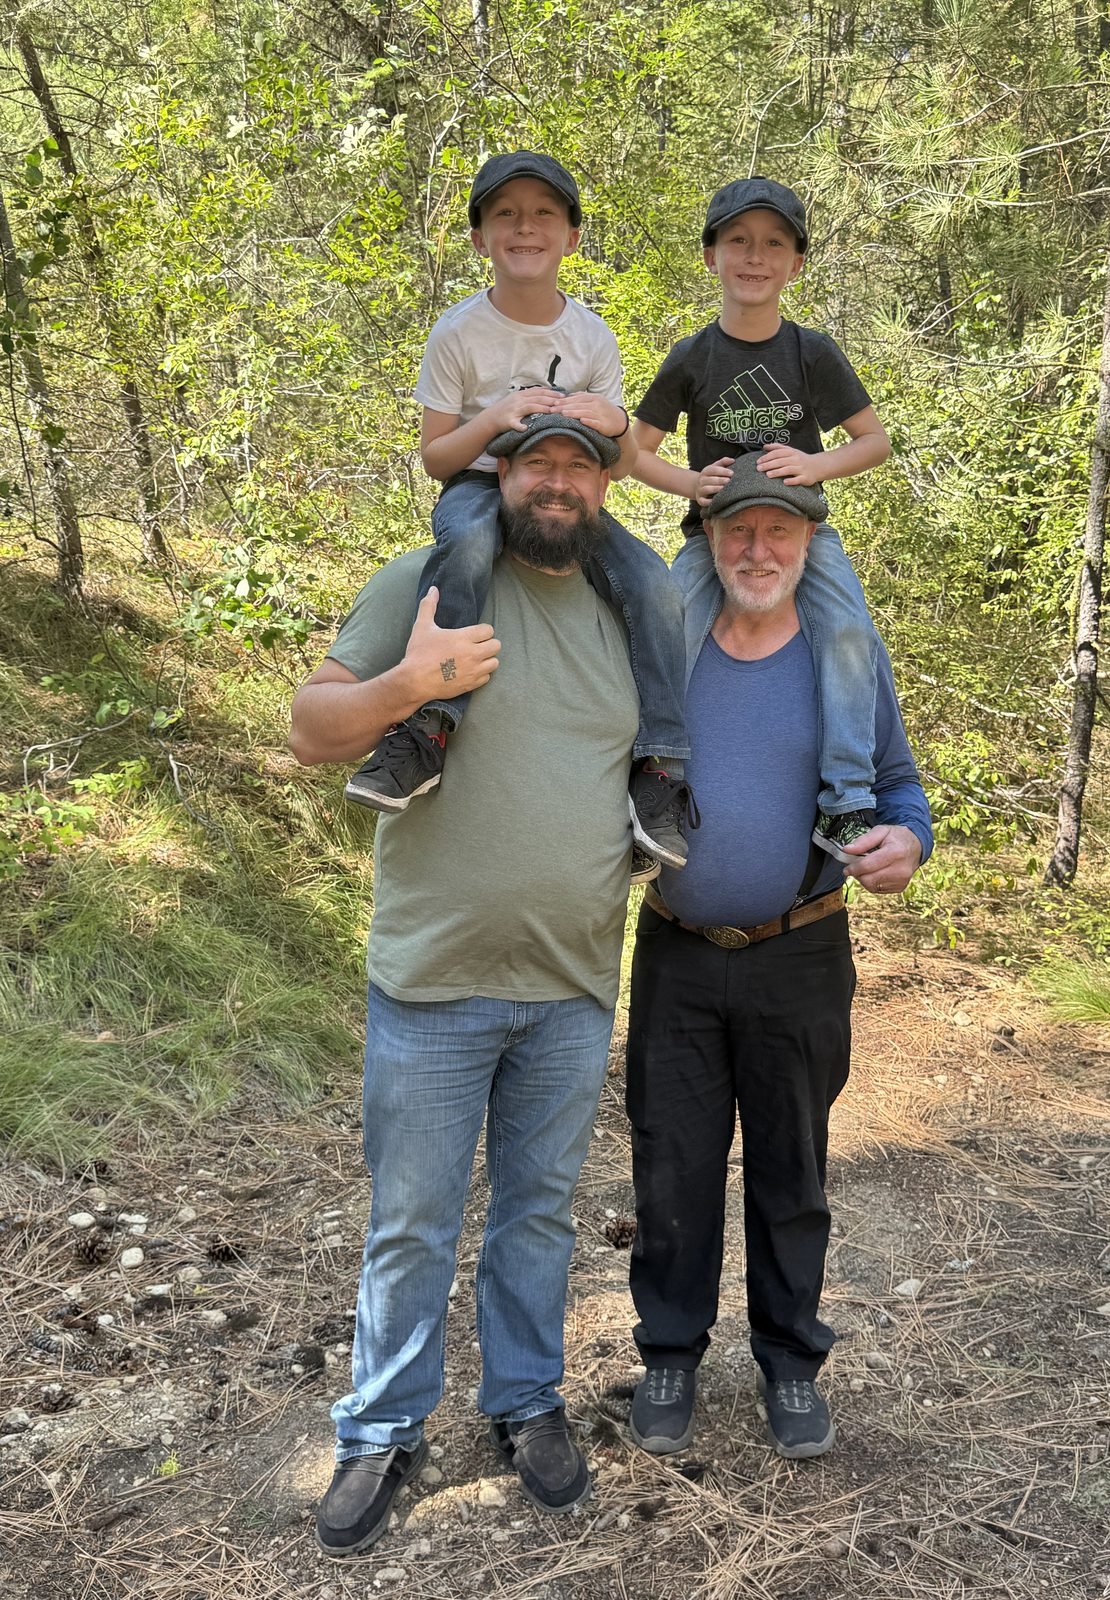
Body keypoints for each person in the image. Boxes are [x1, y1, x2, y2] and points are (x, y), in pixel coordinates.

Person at [290, 413, 651, 1557]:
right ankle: (382, 1429)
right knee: (412, 1223)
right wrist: (406, 683)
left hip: (573, 983)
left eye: (579, 465)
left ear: (604, 485)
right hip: (433, 983)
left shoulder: (629, 612)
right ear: (500, 472)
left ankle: (525, 1401)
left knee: (538, 1216)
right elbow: (311, 728)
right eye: (537, 461)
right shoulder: (426, 581)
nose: (558, 481)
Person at [624, 452, 933, 1460]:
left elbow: (899, 784)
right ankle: (670, 1352)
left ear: (808, 544)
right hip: (673, 949)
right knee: (670, 1164)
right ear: (710, 541)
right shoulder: (665, 650)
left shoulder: (844, 654)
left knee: (792, 1167)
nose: (757, 550)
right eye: (738, 530)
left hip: (801, 951)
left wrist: (910, 840)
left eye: (779, 532)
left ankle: (791, 1362)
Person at [344, 150, 695, 870]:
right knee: (470, 545)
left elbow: (619, 463)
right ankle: (428, 728)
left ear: (572, 236)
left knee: (654, 582)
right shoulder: (458, 333)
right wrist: (493, 420)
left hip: (562, 493)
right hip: (479, 484)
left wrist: (618, 425)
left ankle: (660, 766)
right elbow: (436, 457)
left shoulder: (592, 337)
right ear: (480, 238)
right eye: (505, 214)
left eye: (543, 214)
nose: (525, 227)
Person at [632, 176, 891, 863]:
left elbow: (874, 442)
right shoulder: (693, 356)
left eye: (774, 244)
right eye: (738, 240)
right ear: (710, 255)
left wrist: (815, 464)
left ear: (796, 263)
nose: (755, 256)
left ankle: (847, 799)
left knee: (849, 630)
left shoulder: (812, 352)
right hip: (714, 536)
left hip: (800, 534)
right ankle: (657, 780)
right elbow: (631, 452)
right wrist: (690, 483)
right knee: (666, 623)